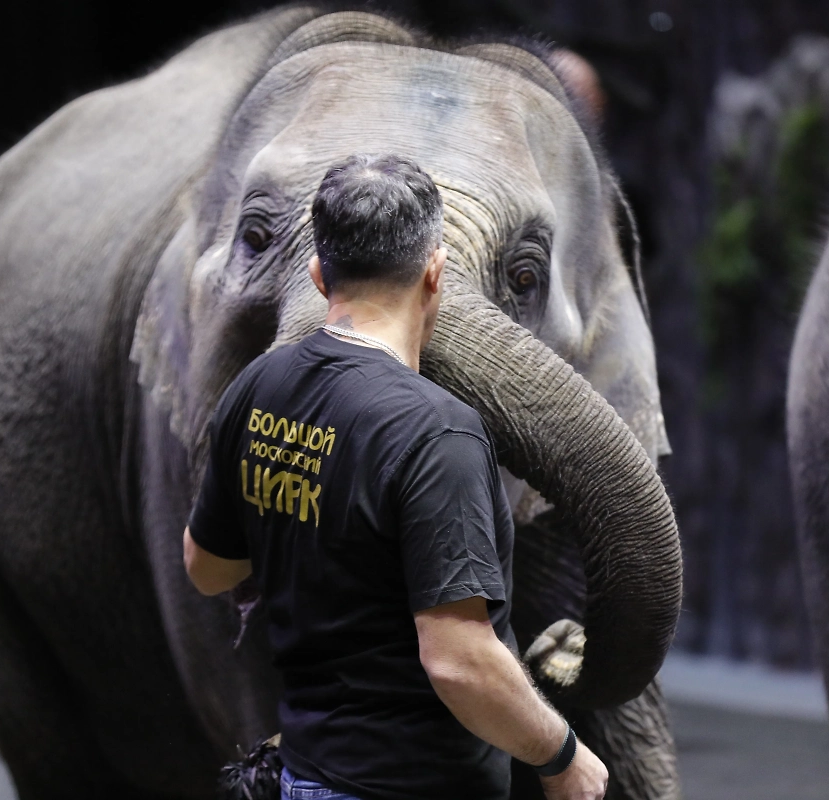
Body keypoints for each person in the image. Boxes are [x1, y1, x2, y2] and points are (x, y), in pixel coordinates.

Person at [182, 153, 608, 800]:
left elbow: (207, 567)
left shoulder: (255, 389)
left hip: (304, 777)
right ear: (435, 273)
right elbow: (457, 660)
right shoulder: (439, 434)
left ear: (320, 273)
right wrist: (563, 758)